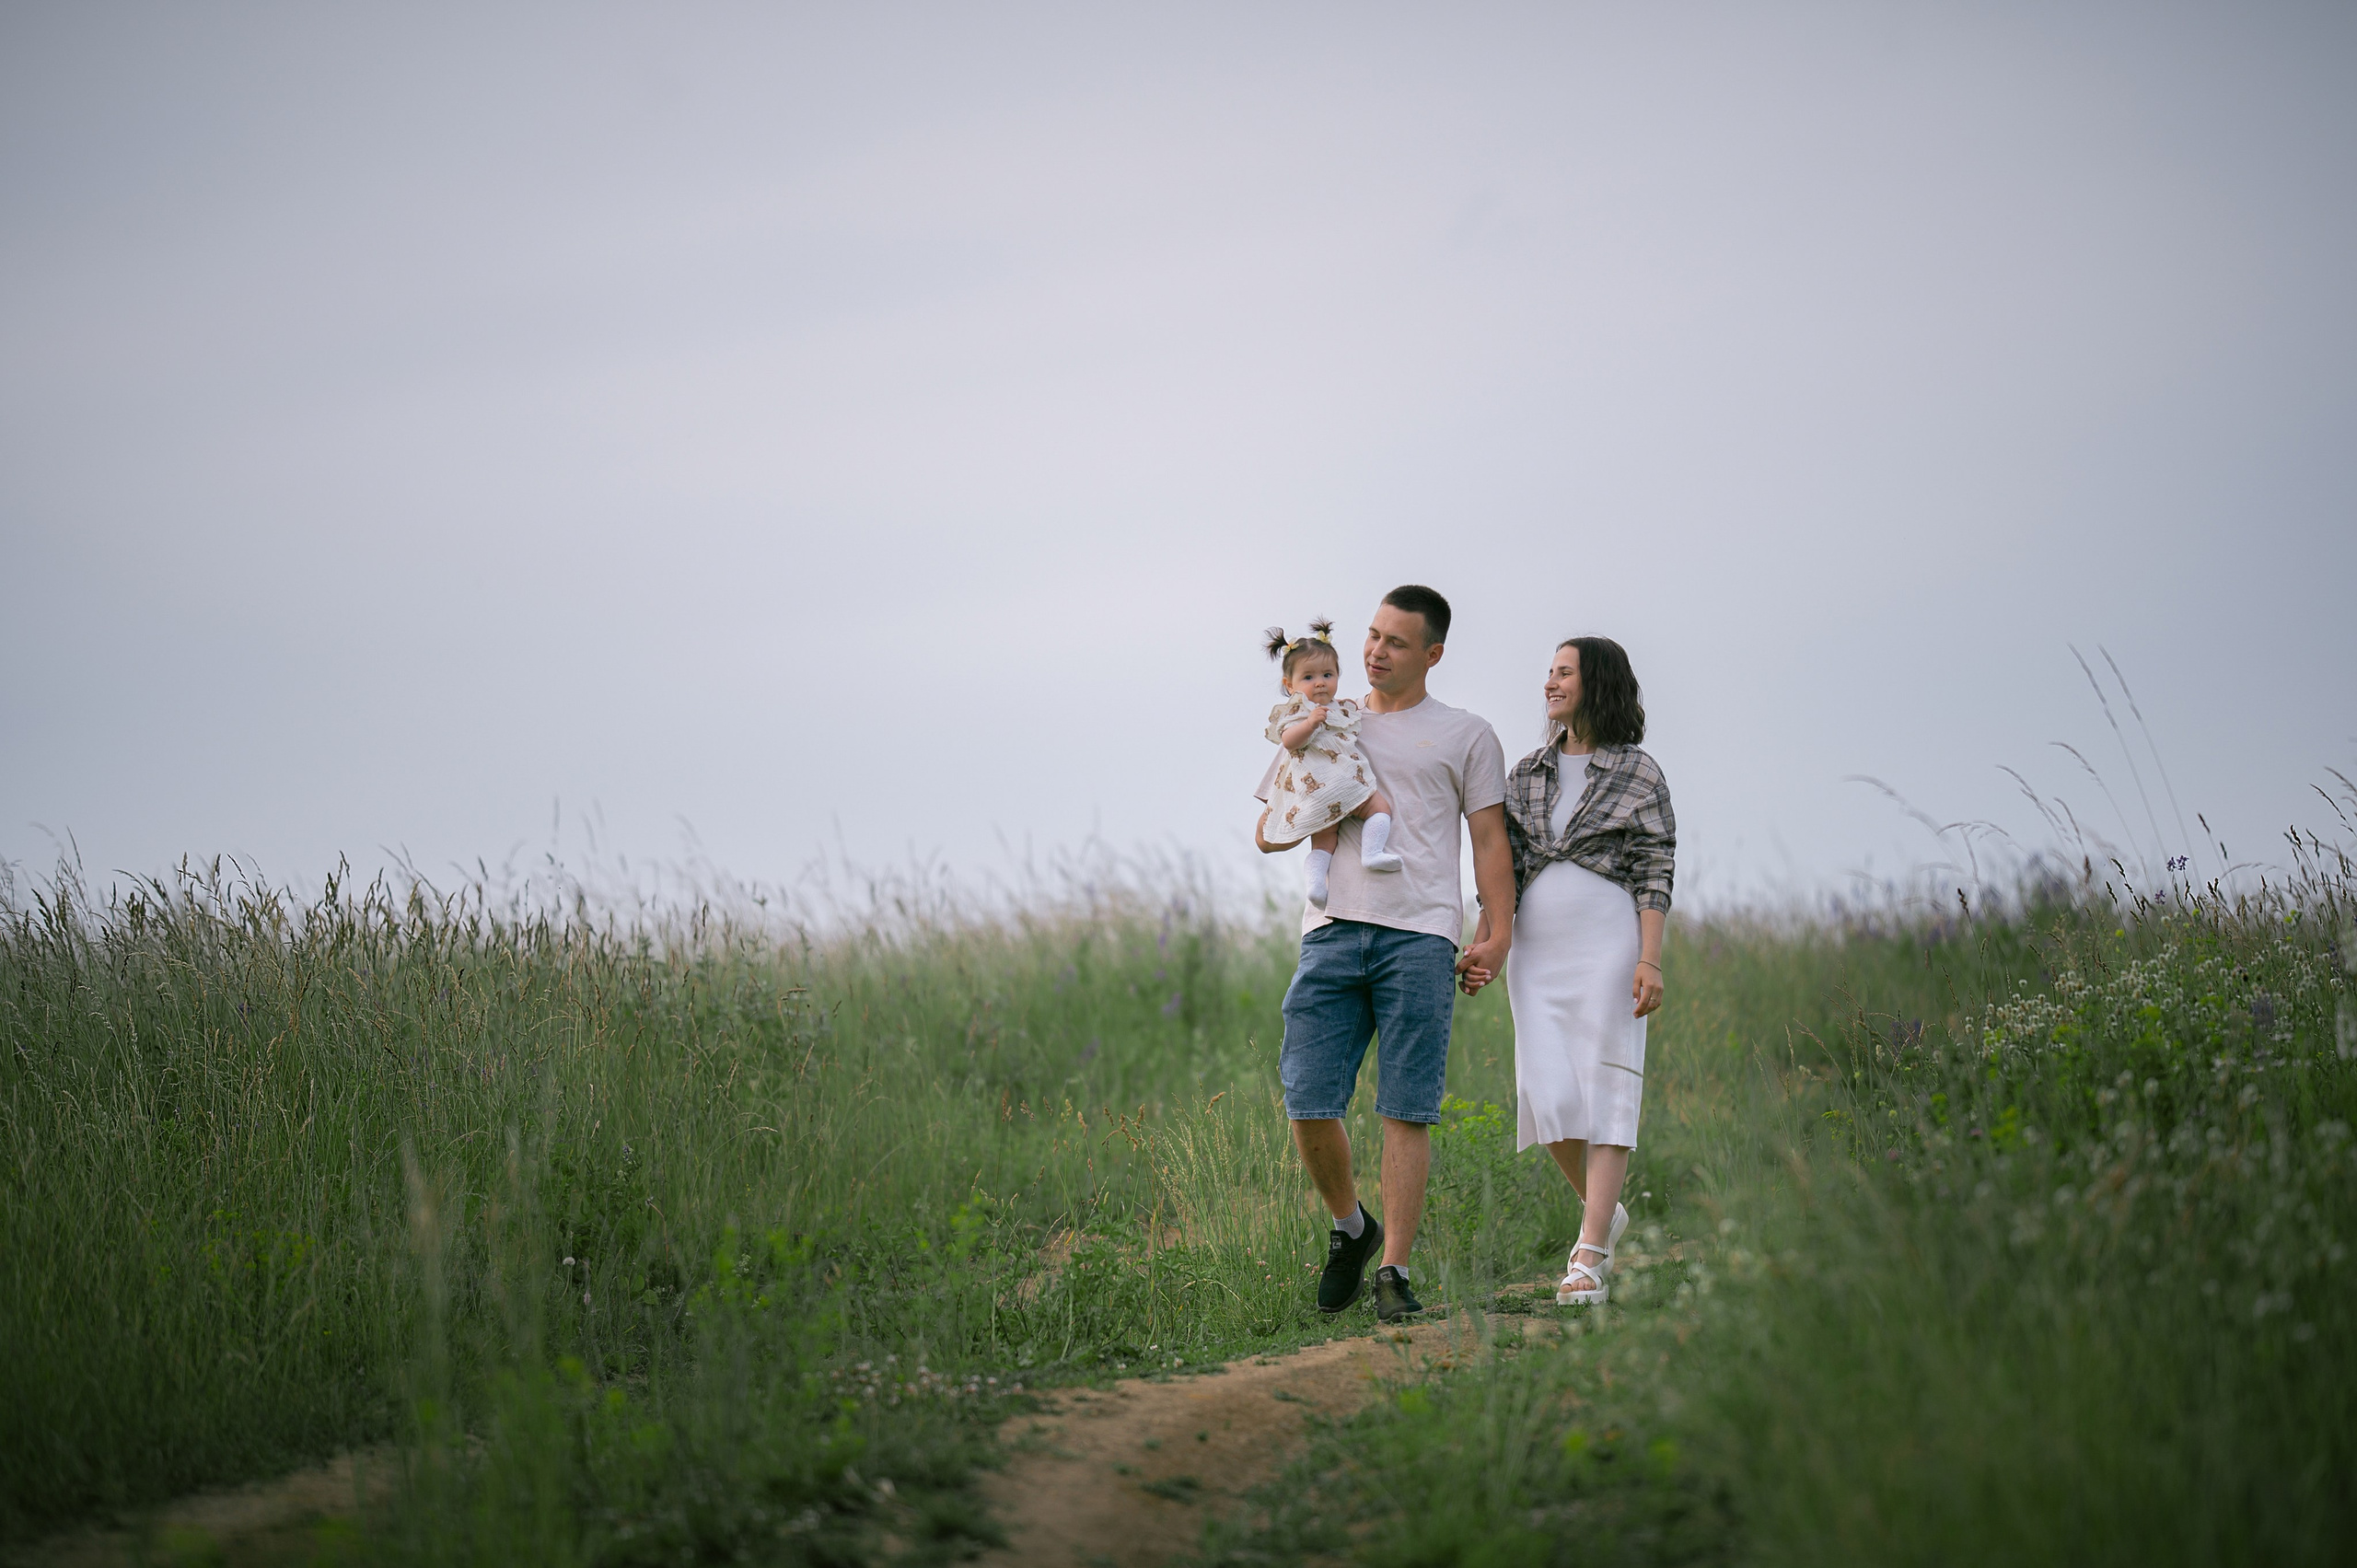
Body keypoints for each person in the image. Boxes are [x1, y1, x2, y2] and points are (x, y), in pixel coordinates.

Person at [1254, 586, 1514, 1322]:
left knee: (1407, 1106)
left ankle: (1393, 1267)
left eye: (1397, 642)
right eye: (1373, 635)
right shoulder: (1325, 714)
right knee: (1306, 1093)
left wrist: (1498, 931)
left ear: (1432, 654)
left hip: (1423, 935)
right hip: (1331, 927)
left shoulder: (1467, 734)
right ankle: (1351, 1227)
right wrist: (1288, 823)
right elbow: (1272, 821)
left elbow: (1491, 841)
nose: (1376, 651)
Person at [1461, 636, 1674, 1307]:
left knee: (1607, 1085)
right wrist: (1486, 940)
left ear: (1597, 683)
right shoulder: (1526, 772)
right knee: (1549, 1095)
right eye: (1548, 672)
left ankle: (1591, 1253)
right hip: (1535, 953)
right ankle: (1603, 1209)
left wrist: (1649, 956)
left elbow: (1656, 869)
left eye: (1564, 672)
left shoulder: (1640, 773)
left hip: (1609, 944)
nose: (1550, 682)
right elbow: (1505, 868)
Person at [1258, 619, 1404, 909]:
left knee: (1325, 840)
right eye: (1309, 678)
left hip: (1327, 792)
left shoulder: (1341, 709)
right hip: (1333, 787)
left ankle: (1319, 884)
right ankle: (1369, 853)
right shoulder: (1299, 711)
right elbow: (1289, 740)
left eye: (1327, 674)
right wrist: (1310, 724)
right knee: (1379, 808)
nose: (1320, 682)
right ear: (1290, 686)